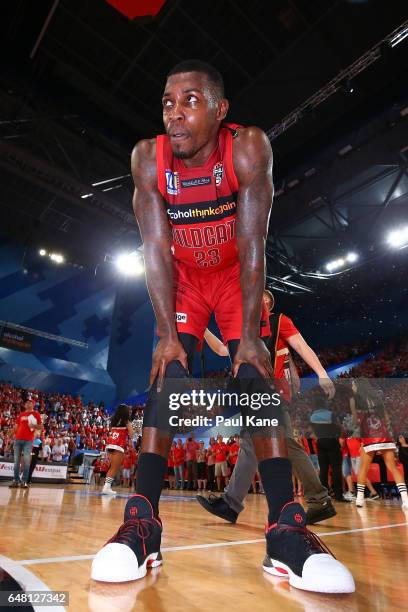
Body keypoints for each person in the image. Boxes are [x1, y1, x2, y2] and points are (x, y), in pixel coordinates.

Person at [92, 59, 354, 594]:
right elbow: (155, 250)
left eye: (190, 101)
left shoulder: (248, 146)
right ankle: (142, 520)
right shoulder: (148, 158)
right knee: (167, 374)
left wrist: (254, 336)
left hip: (234, 277)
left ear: (220, 109)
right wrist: (168, 333)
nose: (175, 114)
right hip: (186, 279)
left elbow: (253, 243)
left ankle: (285, 527)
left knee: (256, 378)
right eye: (168, 102)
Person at [197, 290, 337, 524]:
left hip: (273, 391)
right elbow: (223, 350)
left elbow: (302, 347)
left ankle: (319, 498)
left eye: (260, 297)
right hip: (255, 394)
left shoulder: (279, 320)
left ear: (268, 304)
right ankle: (230, 504)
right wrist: (202, 327)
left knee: (286, 444)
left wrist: (322, 373)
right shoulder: (243, 332)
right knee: (251, 445)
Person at [350, 379, 408, 510]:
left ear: (358, 386)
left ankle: (359, 499)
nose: (352, 386)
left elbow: (355, 421)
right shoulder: (377, 399)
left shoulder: (355, 400)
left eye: (353, 384)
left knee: (363, 468)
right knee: (393, 468)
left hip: (369, 437)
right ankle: (405, 499)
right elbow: (387, 419)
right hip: (384, 435)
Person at [9, 392, 42, 489]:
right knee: (16, 462)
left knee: (27, 462)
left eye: (30, 402)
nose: (28, 403)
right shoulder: (21, 415)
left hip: (28, 441)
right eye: (27, 402)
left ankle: (24, 481)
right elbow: (15, 427)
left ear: (33, 404)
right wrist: (9, 435)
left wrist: (34, 426)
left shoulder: (36, 414)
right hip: (18, 440)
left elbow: (41, 427)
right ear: (24, 405)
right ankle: (15, 481)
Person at [102, 404, 133, 495]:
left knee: (112, 467)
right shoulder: (127, 421)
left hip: (110, 444)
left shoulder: (113, 420)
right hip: (118, 446)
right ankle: (106, 487)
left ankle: (107, 487)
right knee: (114, 468)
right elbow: (131, 434)